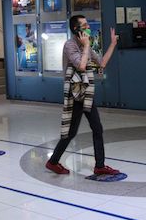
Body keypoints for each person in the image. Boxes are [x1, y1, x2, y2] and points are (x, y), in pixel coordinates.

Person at [45, 15, 120, 175]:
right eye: (85, 25)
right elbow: (81, 66)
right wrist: (86, 46)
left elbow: (101, 64)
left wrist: (112, 44)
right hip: (74, 95)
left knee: (97, 128)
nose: (88, 27)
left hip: (86, 94)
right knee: (71, 133)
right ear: (76, 29)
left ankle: (100, 166)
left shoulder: (86, 46)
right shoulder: (69, 45)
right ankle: (52, 162)